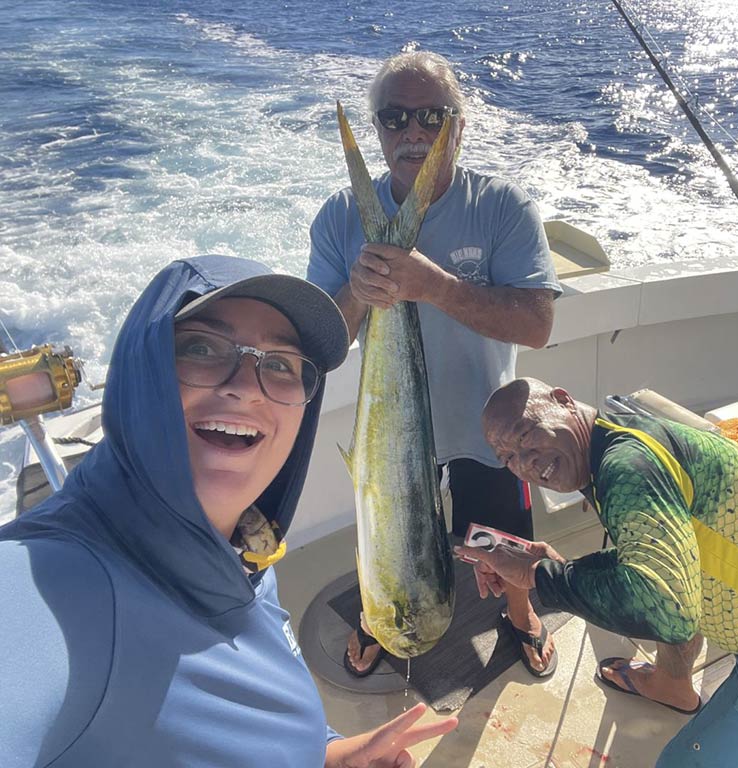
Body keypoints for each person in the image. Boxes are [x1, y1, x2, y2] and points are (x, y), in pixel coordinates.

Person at [0, 255, 457, 768]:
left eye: (280, 364)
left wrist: (329, 754)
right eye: (202, 348)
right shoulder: (57, 584)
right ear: (139, 369)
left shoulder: (248, 545)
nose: (245, 386)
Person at [456, 378, 738, 768]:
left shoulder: (626, 469)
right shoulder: (615, 436)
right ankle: (671, 684)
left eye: (526, 435)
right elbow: (663, 565)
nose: (525, 462)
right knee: (658, 573)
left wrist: (540, 577)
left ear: (563, 400)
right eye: (507, 457)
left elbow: (667, 610)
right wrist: (552, 567)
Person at [307, 51, 561, 678]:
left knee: (500, 541)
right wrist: (357, 294)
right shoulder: (340, 216)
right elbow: (321, 341)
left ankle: (521, 614)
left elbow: (537, 325)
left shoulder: (501, 206)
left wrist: (435, 286)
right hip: (389, 443)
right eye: (395, 118)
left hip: (487, 431)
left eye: (432, 116)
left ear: (459, 126)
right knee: (386, 538)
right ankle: (377, 617)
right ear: (377, 129)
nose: (413, 132)